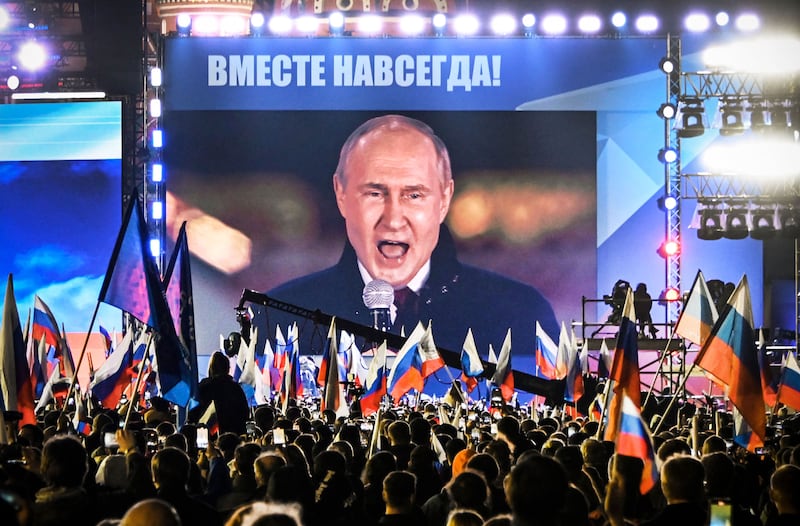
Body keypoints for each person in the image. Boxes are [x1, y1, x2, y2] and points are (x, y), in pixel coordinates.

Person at [258, 115, 558, 387]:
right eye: (375, 193)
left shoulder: (519, 313)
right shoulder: (279, 316)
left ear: (444, 199)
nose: (393, 218)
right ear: (341, 194)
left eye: (414, 195)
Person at [188, 352, 250, 436]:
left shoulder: (203, 387)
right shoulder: (235, 388)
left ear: (211, 368)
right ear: (227, 368)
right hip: (233, 436)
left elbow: (193, 413)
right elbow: (245, 413)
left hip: (206, 436)